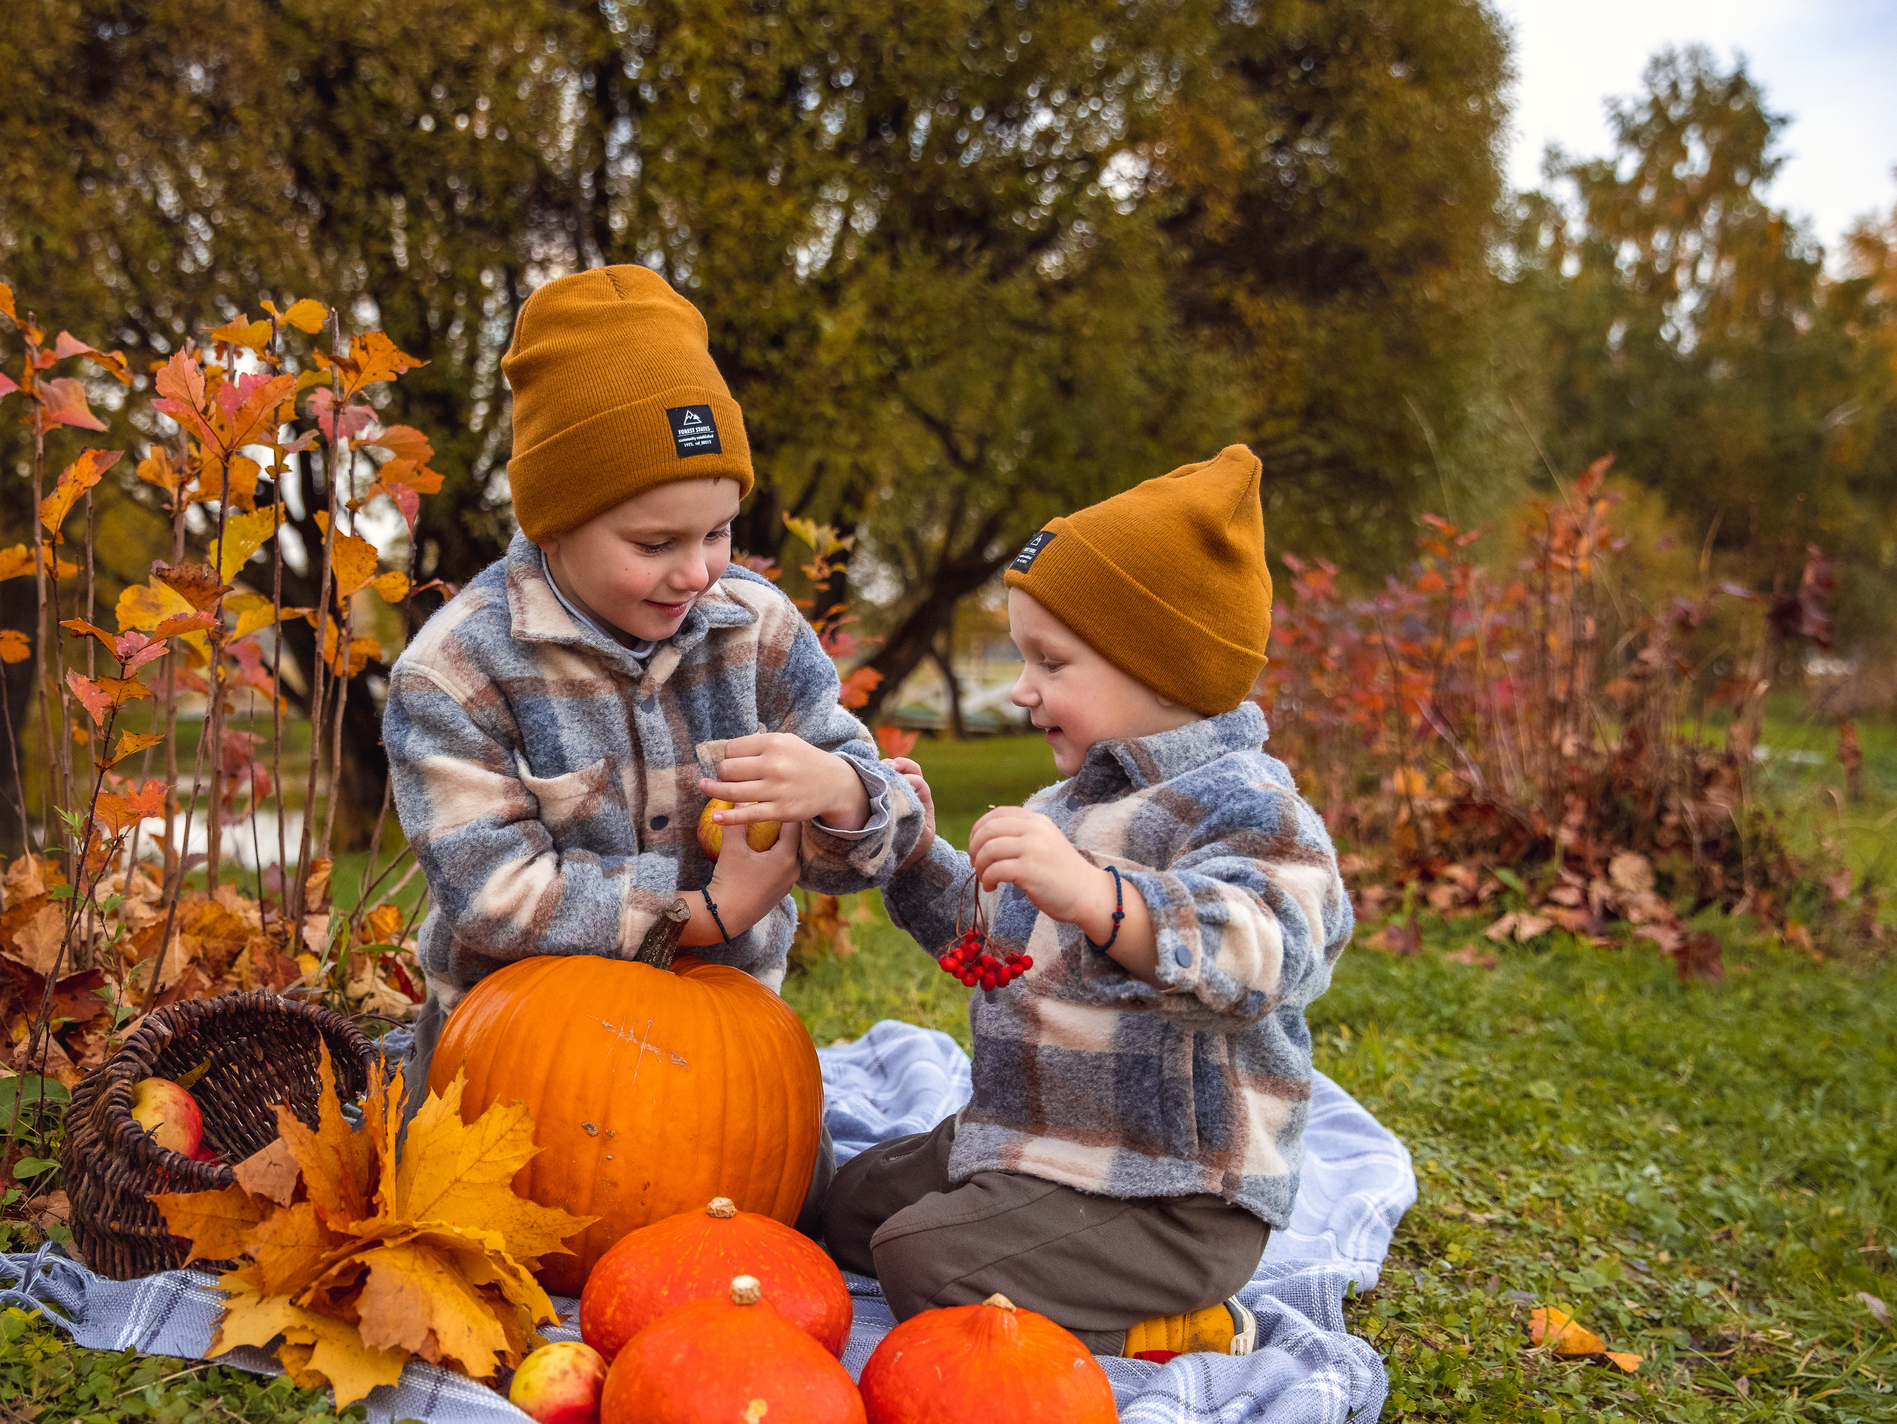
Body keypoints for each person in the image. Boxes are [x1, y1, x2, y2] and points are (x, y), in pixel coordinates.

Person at [383, 265, 924, 1206]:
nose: (696, 571)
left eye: (718, 530)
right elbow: (493, 897)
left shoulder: (758, 633)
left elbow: (879, 842)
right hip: (516, 1088)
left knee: (806, 1229)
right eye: (654, 543)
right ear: (554, 522)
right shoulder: (455, 675)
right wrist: (705, 912)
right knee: (518, 1249)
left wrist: (838, 796)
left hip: (724, 1073)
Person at [825, 446, 1353, 1359]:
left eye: (1051, 660)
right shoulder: (1069, 808)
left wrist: (1100, 895)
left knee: (920, 1262)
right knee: (845, 1206)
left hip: (1171, 1194)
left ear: (1161, 664)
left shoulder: (1253, 807)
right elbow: (992, 947)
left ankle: (1173, 1321)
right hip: (1038, 1138)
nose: (1023, 687)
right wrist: (910, 851)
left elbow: (1271, 951)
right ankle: (997, 1215)